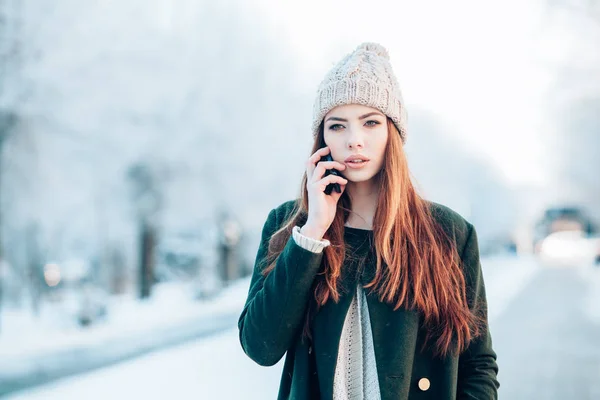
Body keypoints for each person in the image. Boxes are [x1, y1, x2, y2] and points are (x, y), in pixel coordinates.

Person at [238, 42, 499, 400]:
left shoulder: (448, 233)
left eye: (371, 122)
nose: (354, 141)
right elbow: (260, 347)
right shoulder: (291, 226)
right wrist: (313, 230)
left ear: (393, 132)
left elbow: (478, 365)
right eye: (338, 126)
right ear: (322, 137)